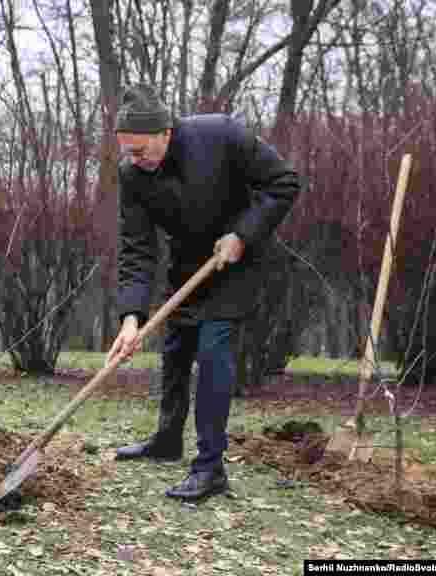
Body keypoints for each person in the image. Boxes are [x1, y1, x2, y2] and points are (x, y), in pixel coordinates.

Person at [105, 84, 301, 501]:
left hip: (238, 261)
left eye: (140, 151)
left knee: (213, 349)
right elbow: (136, 248)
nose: (133, 161)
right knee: (176, 349)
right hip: (189, 263)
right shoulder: (132, 174)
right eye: (127, 152)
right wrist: (131, 318)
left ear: (166, 132)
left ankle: (210, 467)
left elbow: (283, 182)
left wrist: (242, 235)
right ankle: (167, 439)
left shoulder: (220, 135)